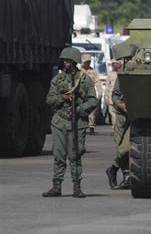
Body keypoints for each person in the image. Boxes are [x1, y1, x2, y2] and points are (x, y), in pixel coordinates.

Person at [42, 47, 99, 198]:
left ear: (74, 62)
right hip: (60, 122)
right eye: (64, 61)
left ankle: (77, 187)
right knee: (59, 156)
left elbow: (93, 100)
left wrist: (80, 109)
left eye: (68, 61)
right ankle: (56, 186)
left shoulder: (85, 80)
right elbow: (50, 99)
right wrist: (63, 98)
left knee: (75, 156)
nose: (65, 63)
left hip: (77, 122)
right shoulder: (57, 80)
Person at [105, 43, 138, 190]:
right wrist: (120, 104)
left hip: (136, 116)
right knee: (120, 146)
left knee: (125, 148)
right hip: (121, 116)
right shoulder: (122, 75)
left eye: (128, 59)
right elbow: (115, 95)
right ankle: (127, 176)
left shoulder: (141, 73)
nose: (125, 62)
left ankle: (112, 169)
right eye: (124, 60)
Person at [81, 54, 103, 135]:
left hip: (91, 92)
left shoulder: (93, 71)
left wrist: (99, 92)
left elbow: (97, 82)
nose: (87, 63)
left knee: (92, 111)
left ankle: (91, 127)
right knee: (82, 110)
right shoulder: (80, 71)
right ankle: (82, 127)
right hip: (81, 93)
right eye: (86, 62)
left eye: (89, 62)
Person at [104, 59, 122, 128]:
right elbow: (107, 86)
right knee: (112, 113)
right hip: (111, 97)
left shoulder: (123, 73)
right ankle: (115, 127)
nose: (114, 65)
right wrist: (106, 96)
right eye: (113, 64)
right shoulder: (110, 74)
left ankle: (119, 127)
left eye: (116, 63)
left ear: (119, 64)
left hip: (120, 98)